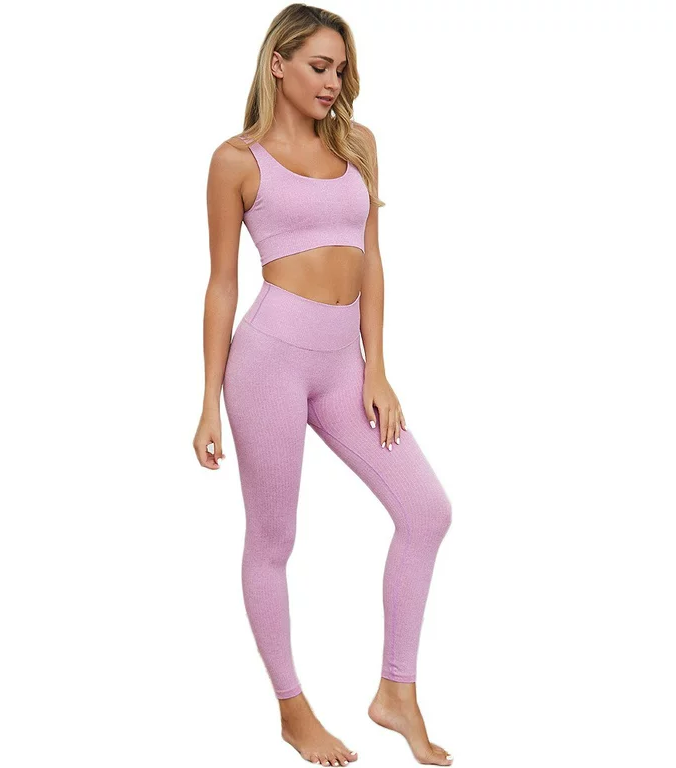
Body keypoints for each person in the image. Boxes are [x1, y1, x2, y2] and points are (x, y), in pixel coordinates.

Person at [193, 5, 453, 766]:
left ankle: (395, 692)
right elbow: (220, 283)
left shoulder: (357, 144)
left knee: (427, 511)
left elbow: (371, 257)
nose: (333, 81)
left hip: (344, 364)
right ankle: (293, 709)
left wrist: (378, 366)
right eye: (318, 66)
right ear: (277, 63)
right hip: (268, 361)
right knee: (274, 540)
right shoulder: (236, 160)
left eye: (340, 69)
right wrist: (207, 401)